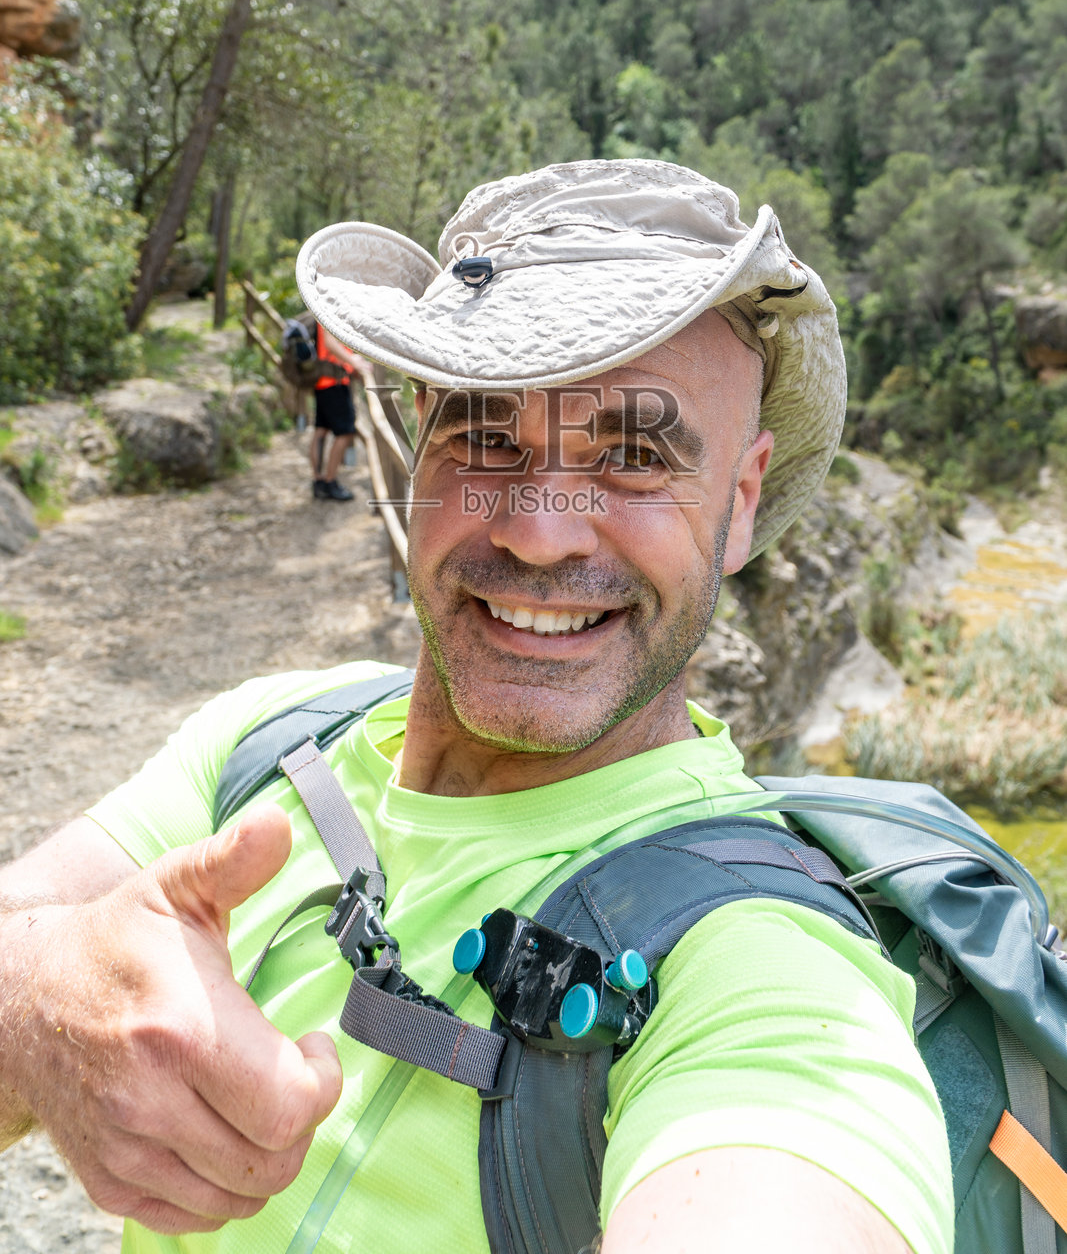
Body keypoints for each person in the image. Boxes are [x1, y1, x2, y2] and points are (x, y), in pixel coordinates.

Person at [0, 160, 952, 1254]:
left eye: (634, 456)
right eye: (487, 438)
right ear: (419, 444)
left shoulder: (765, 966)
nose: (538, 534)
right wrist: (41, 1002)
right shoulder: (276, 739)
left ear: (739, 500)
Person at [309, 325, 364, 502]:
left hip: (323, 380)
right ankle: (330, 482)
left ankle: (318, 482)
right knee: (345, 433)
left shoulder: (320, 312)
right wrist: (354, 362)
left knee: (321, 430)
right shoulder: (330, 311)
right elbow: (330, 343)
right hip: (335, 382)